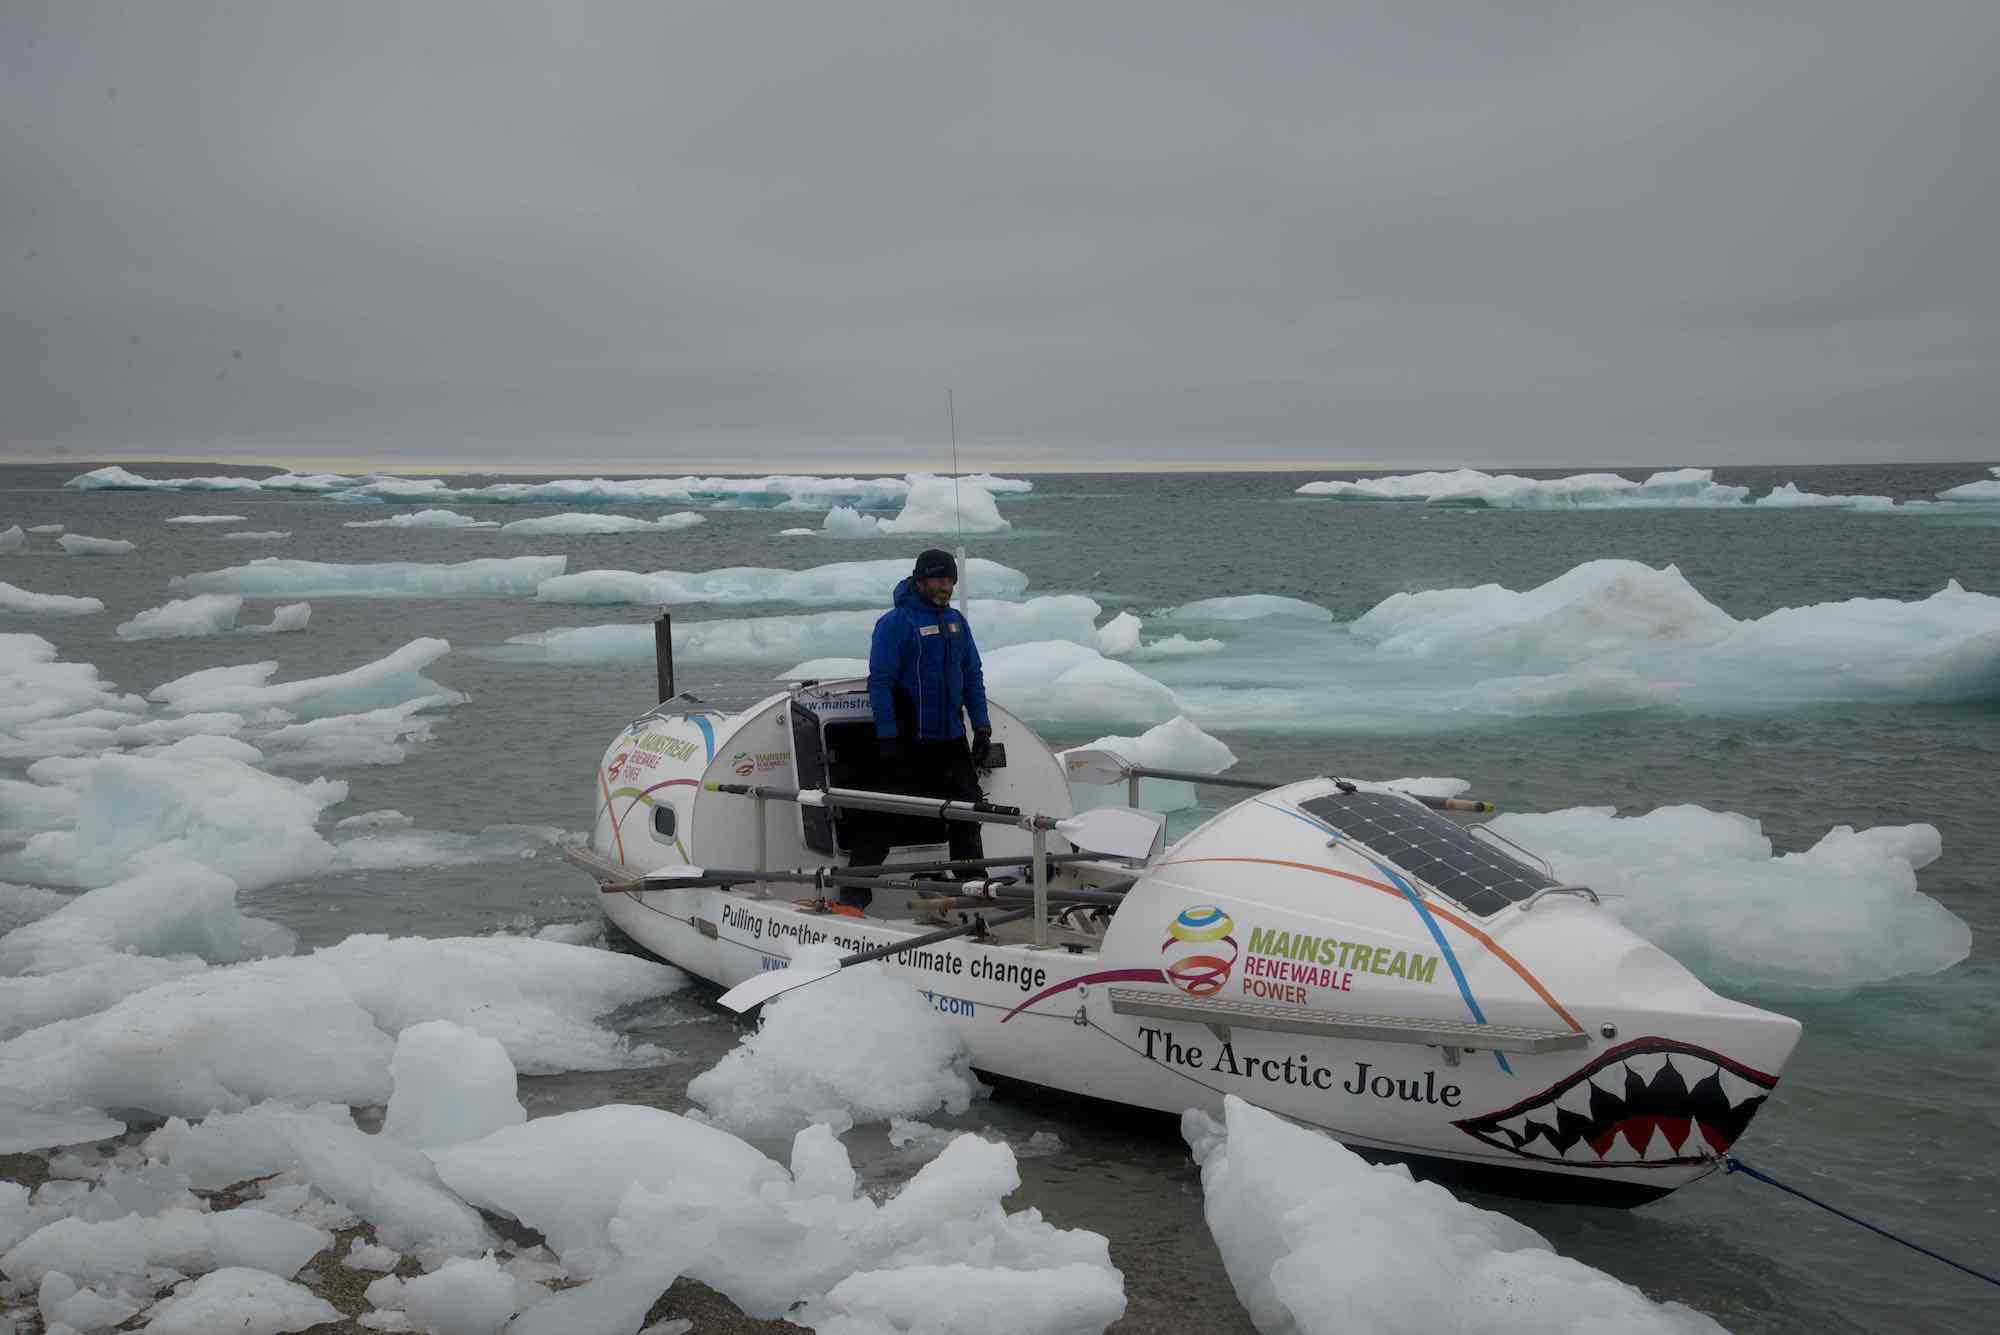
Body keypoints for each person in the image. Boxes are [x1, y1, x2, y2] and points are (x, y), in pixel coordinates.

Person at [843, 549, 993, 902]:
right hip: (908, 737)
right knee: (886, 814)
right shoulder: (895, 624)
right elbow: (879, 683)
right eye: (938, 580)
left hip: (952, 736)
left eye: (949, 580)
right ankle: (853, 893)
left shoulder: (957, 622)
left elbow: (972, 675)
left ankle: (972, 885)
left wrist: (982, 727)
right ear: (920, 580)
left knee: (968, 811)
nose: (944, 587)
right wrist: (888, 737)